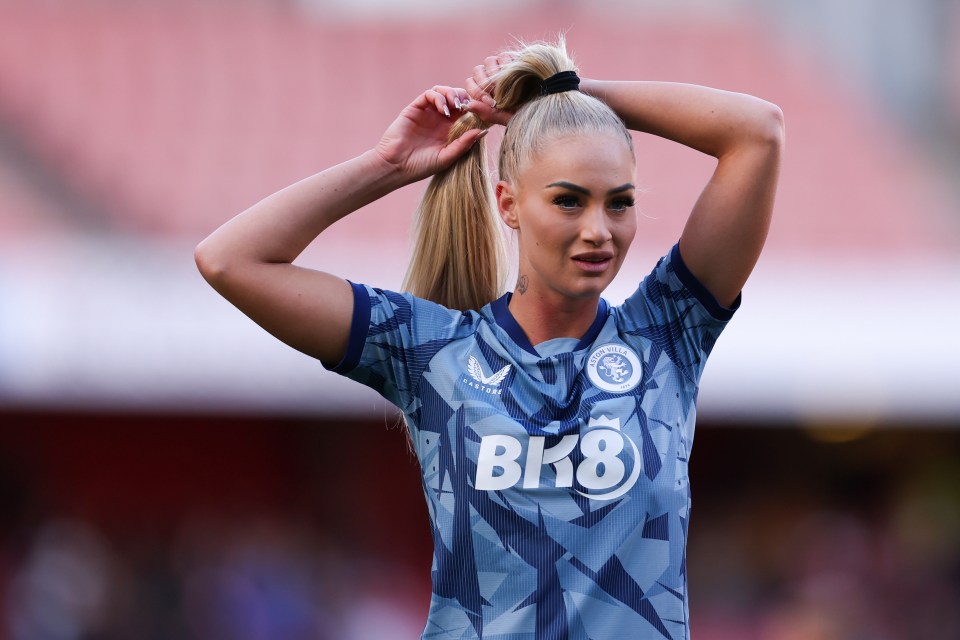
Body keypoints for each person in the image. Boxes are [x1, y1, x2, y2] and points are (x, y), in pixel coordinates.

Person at [195, 37, 783, 640]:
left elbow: (757, 131)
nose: (598, 230)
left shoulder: (667, 331)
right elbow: (229, 261)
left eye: (620, 203)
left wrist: (565, 99)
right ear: (509, 203)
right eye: (568, 201)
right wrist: (388, 166)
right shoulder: (429, 350)